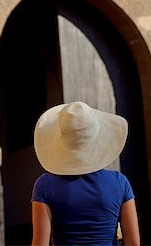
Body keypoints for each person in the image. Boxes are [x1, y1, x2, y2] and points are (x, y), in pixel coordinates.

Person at [31, 101, 140, 246]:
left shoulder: (44, 185)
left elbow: (40, 244)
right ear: (97, 138)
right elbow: (133, 243)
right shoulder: (120, 183)